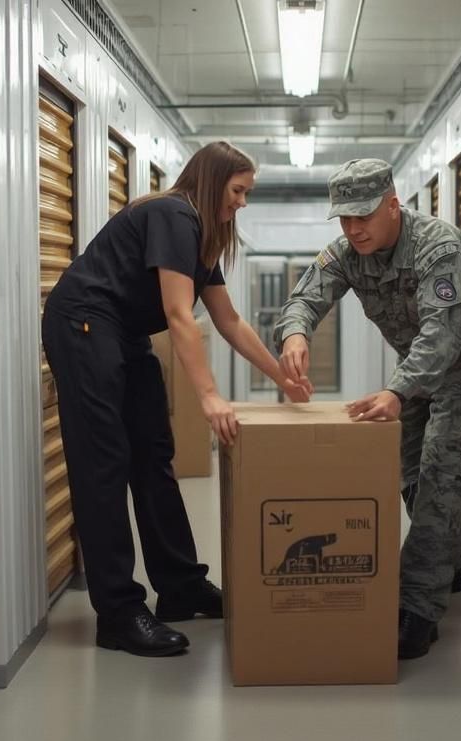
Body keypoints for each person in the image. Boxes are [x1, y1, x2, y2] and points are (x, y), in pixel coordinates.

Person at [43, 141, 313, 657]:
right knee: (105, 463)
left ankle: (181, 585)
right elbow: (178, 313)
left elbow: (227, 319)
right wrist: (208, 395)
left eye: (247, 193)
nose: (242, 203)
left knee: (154, 456)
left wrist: (281, 374)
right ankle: (118, 613)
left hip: (121, 332)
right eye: (238, 191)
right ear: (212, 183)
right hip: (82, 323)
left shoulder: (202, 236)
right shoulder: (173, 214)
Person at [273, 158, 461, 660]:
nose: (354, 229)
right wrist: (296, 332)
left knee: (442, 470)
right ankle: (446, 562)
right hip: (417, 362)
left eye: (364, 216)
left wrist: (395, 393)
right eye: (345, 218)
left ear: (392, 205)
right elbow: (304, 298)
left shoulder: (439, 246)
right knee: (408, 469)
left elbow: (442, 338)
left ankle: (420, 608)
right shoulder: (346, 252)